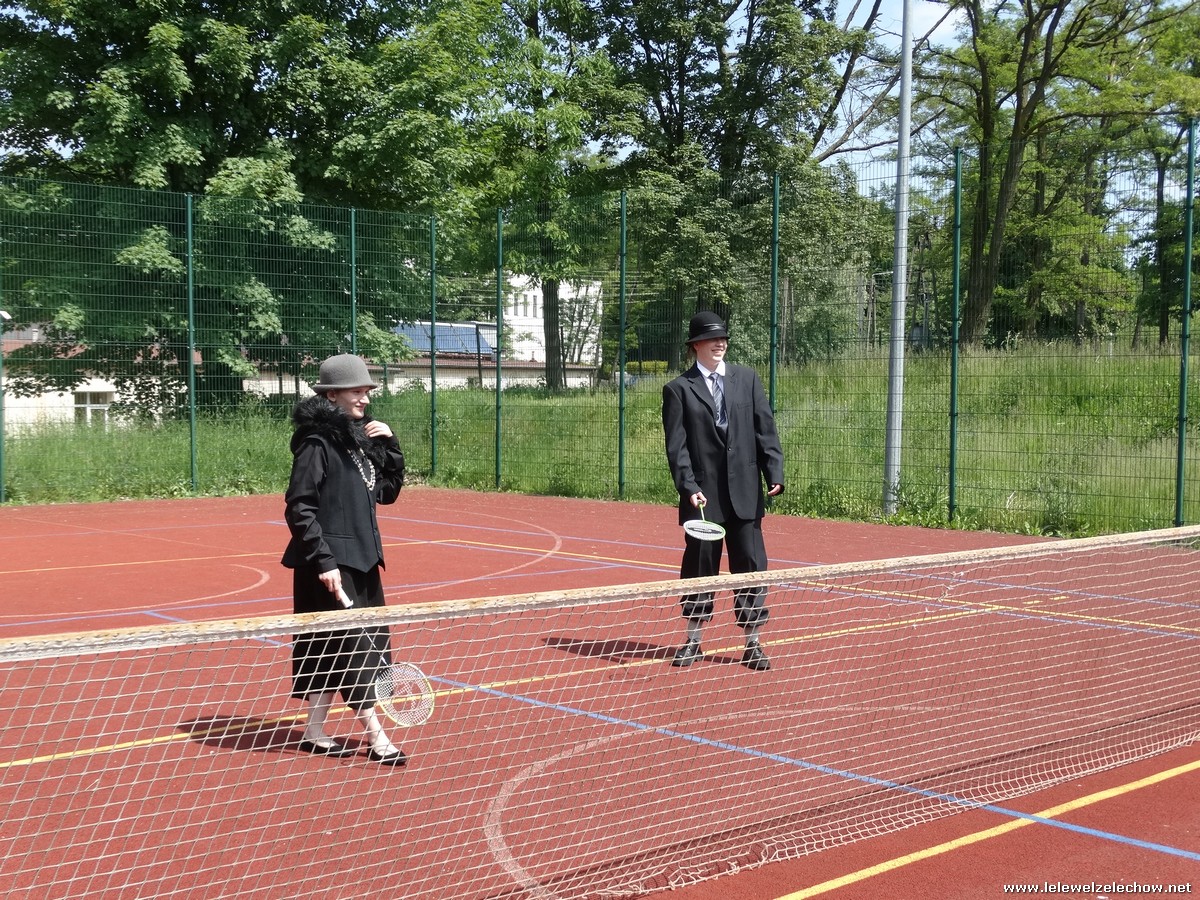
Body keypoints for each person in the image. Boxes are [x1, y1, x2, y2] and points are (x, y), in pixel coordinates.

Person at [281, 353, 408, 765]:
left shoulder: (358, 441)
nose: (365, 399)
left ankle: (314, 731)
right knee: (357, 650)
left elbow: (386, 492)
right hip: (330, 565)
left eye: (367, 391)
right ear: (332, 395)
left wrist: (390, 446)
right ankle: (377, 739)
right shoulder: (316, 444)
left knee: (329, 649)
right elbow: (299, 507)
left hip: (364, 560)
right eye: (357, 391)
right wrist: (324, 561)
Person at [661, 311, 785, 671]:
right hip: (703, 498)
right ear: (696, 345)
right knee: (700, 568)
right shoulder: (678, 389)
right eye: (712, 338)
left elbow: (765, 429)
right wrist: (689, 487)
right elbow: (677, 448)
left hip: (746, 493)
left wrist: (774, 471)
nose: (720, 343)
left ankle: (753, 644)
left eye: (723, 338)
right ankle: (693, 640)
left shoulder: (747, 379)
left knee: (751, 567)